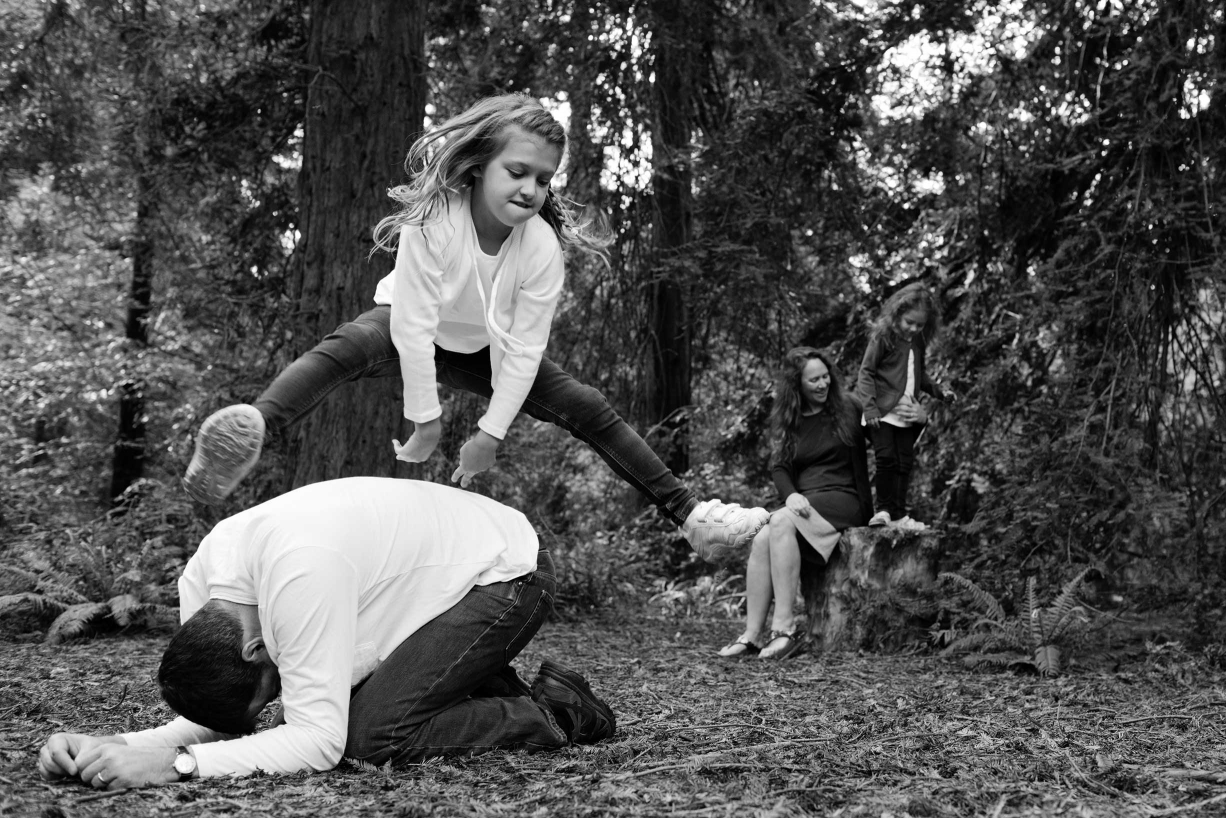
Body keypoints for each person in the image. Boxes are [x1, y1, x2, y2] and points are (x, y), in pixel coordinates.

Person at [183, 93, 765, 565]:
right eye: (517, 171)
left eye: (543, 178)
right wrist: (427, 418)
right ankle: (252, 425)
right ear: (480, 163)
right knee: (346, 348)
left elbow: (526, 350)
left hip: (489, 349)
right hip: (406, 325)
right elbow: (411, 329)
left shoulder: (540, 246)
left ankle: (692, 516)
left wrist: (490, 433)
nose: (530, 189)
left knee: (586, 406)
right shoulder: (435, 218)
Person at [37, 477, 615, 790]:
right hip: (429, 587)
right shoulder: (208, 595)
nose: (275, 705)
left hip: (505, 573)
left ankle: (558, 713)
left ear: (258, 651)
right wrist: (120, 746)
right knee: (342, 712)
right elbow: (222, 713)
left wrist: (176, 766)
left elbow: (319, 743)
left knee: (369, 738)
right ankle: (473, 680)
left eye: (271, 695)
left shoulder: (299, 584)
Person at [717, 348, 872, 660]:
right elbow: (781, 468)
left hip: (845, 499)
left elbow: (885, 437)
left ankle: (785, 630)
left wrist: (916, 418)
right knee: (762, 536)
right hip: (803, 504)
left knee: (781, 520)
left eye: (825, 376)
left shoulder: (849, 406)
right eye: (813, 379)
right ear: (797, 384)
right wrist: (789, 494)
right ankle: (751, 636)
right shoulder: (792, 419)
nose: (822, 384)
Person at [855, 282, 954, 530]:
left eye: (920, 325)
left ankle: (899, 514)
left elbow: (919, 375)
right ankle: (885, 510)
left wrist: (940, 392)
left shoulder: (916, 342)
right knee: (886, 459)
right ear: (897, 314)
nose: (913, 328)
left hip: (906, 413)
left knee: (904, 463)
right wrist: (870, 408)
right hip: (883, 412)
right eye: (909, 322)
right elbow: (866, 373)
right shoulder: (883, 338)